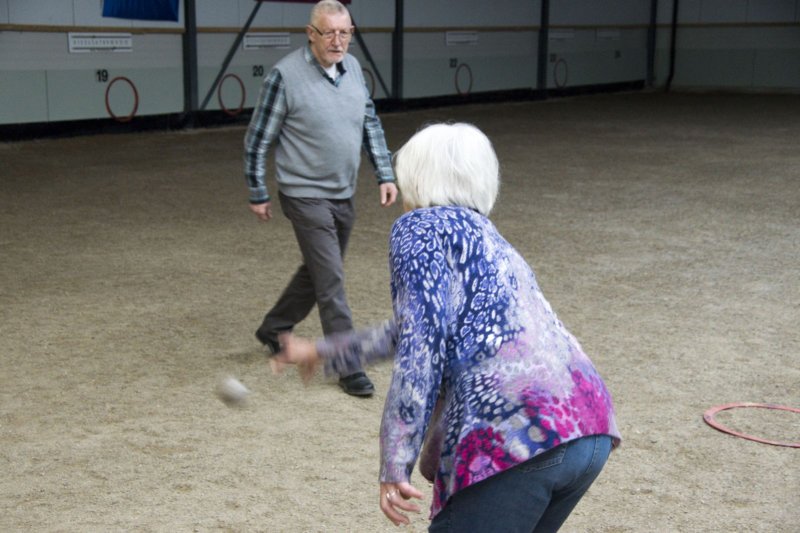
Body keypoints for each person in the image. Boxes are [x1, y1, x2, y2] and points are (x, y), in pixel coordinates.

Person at [274, 122, 622, 531]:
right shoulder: (489, 239)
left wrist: (395, 463)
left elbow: (420, 351)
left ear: (416, 176)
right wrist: (325, 351)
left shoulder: (419, 229)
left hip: (520, 435)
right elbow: (422, 329)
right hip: (586, 426)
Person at [243, 0, 398, 397]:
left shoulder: (355, 73)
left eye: (345, 32)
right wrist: (257, 190)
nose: (338, 40)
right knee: (331, 279)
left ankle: (275, 326)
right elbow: (258, 138)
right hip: (303, 193)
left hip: (342, 192)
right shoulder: (285, 76)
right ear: (310, 33)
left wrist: (385, 173)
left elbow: (370, 124)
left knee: (318, 271)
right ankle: (348, 363)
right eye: (328, 32)